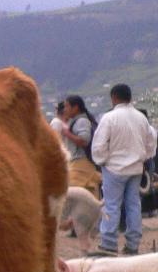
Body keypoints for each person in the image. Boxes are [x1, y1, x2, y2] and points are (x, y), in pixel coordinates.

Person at [91, 83, 158, 256]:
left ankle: (109, 243)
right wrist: (144, 158)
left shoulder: (109, 117)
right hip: (135, 169)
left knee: (112, 205)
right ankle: (133, 244)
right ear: (130, 97)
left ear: (114, 97)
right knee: (133, 205)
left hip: (114, 169)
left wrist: (103, 161)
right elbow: (151, 142)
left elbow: (98, 145)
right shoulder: (141, 118)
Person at [60, 95, 99, 195]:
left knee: (75, 194)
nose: (64, 110)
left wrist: (67, 134)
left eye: (67, 106)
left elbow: (84, 141)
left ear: (76, 108)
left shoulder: (82, 121)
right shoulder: (77, 121)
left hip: (81, 163)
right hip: (79, 163)